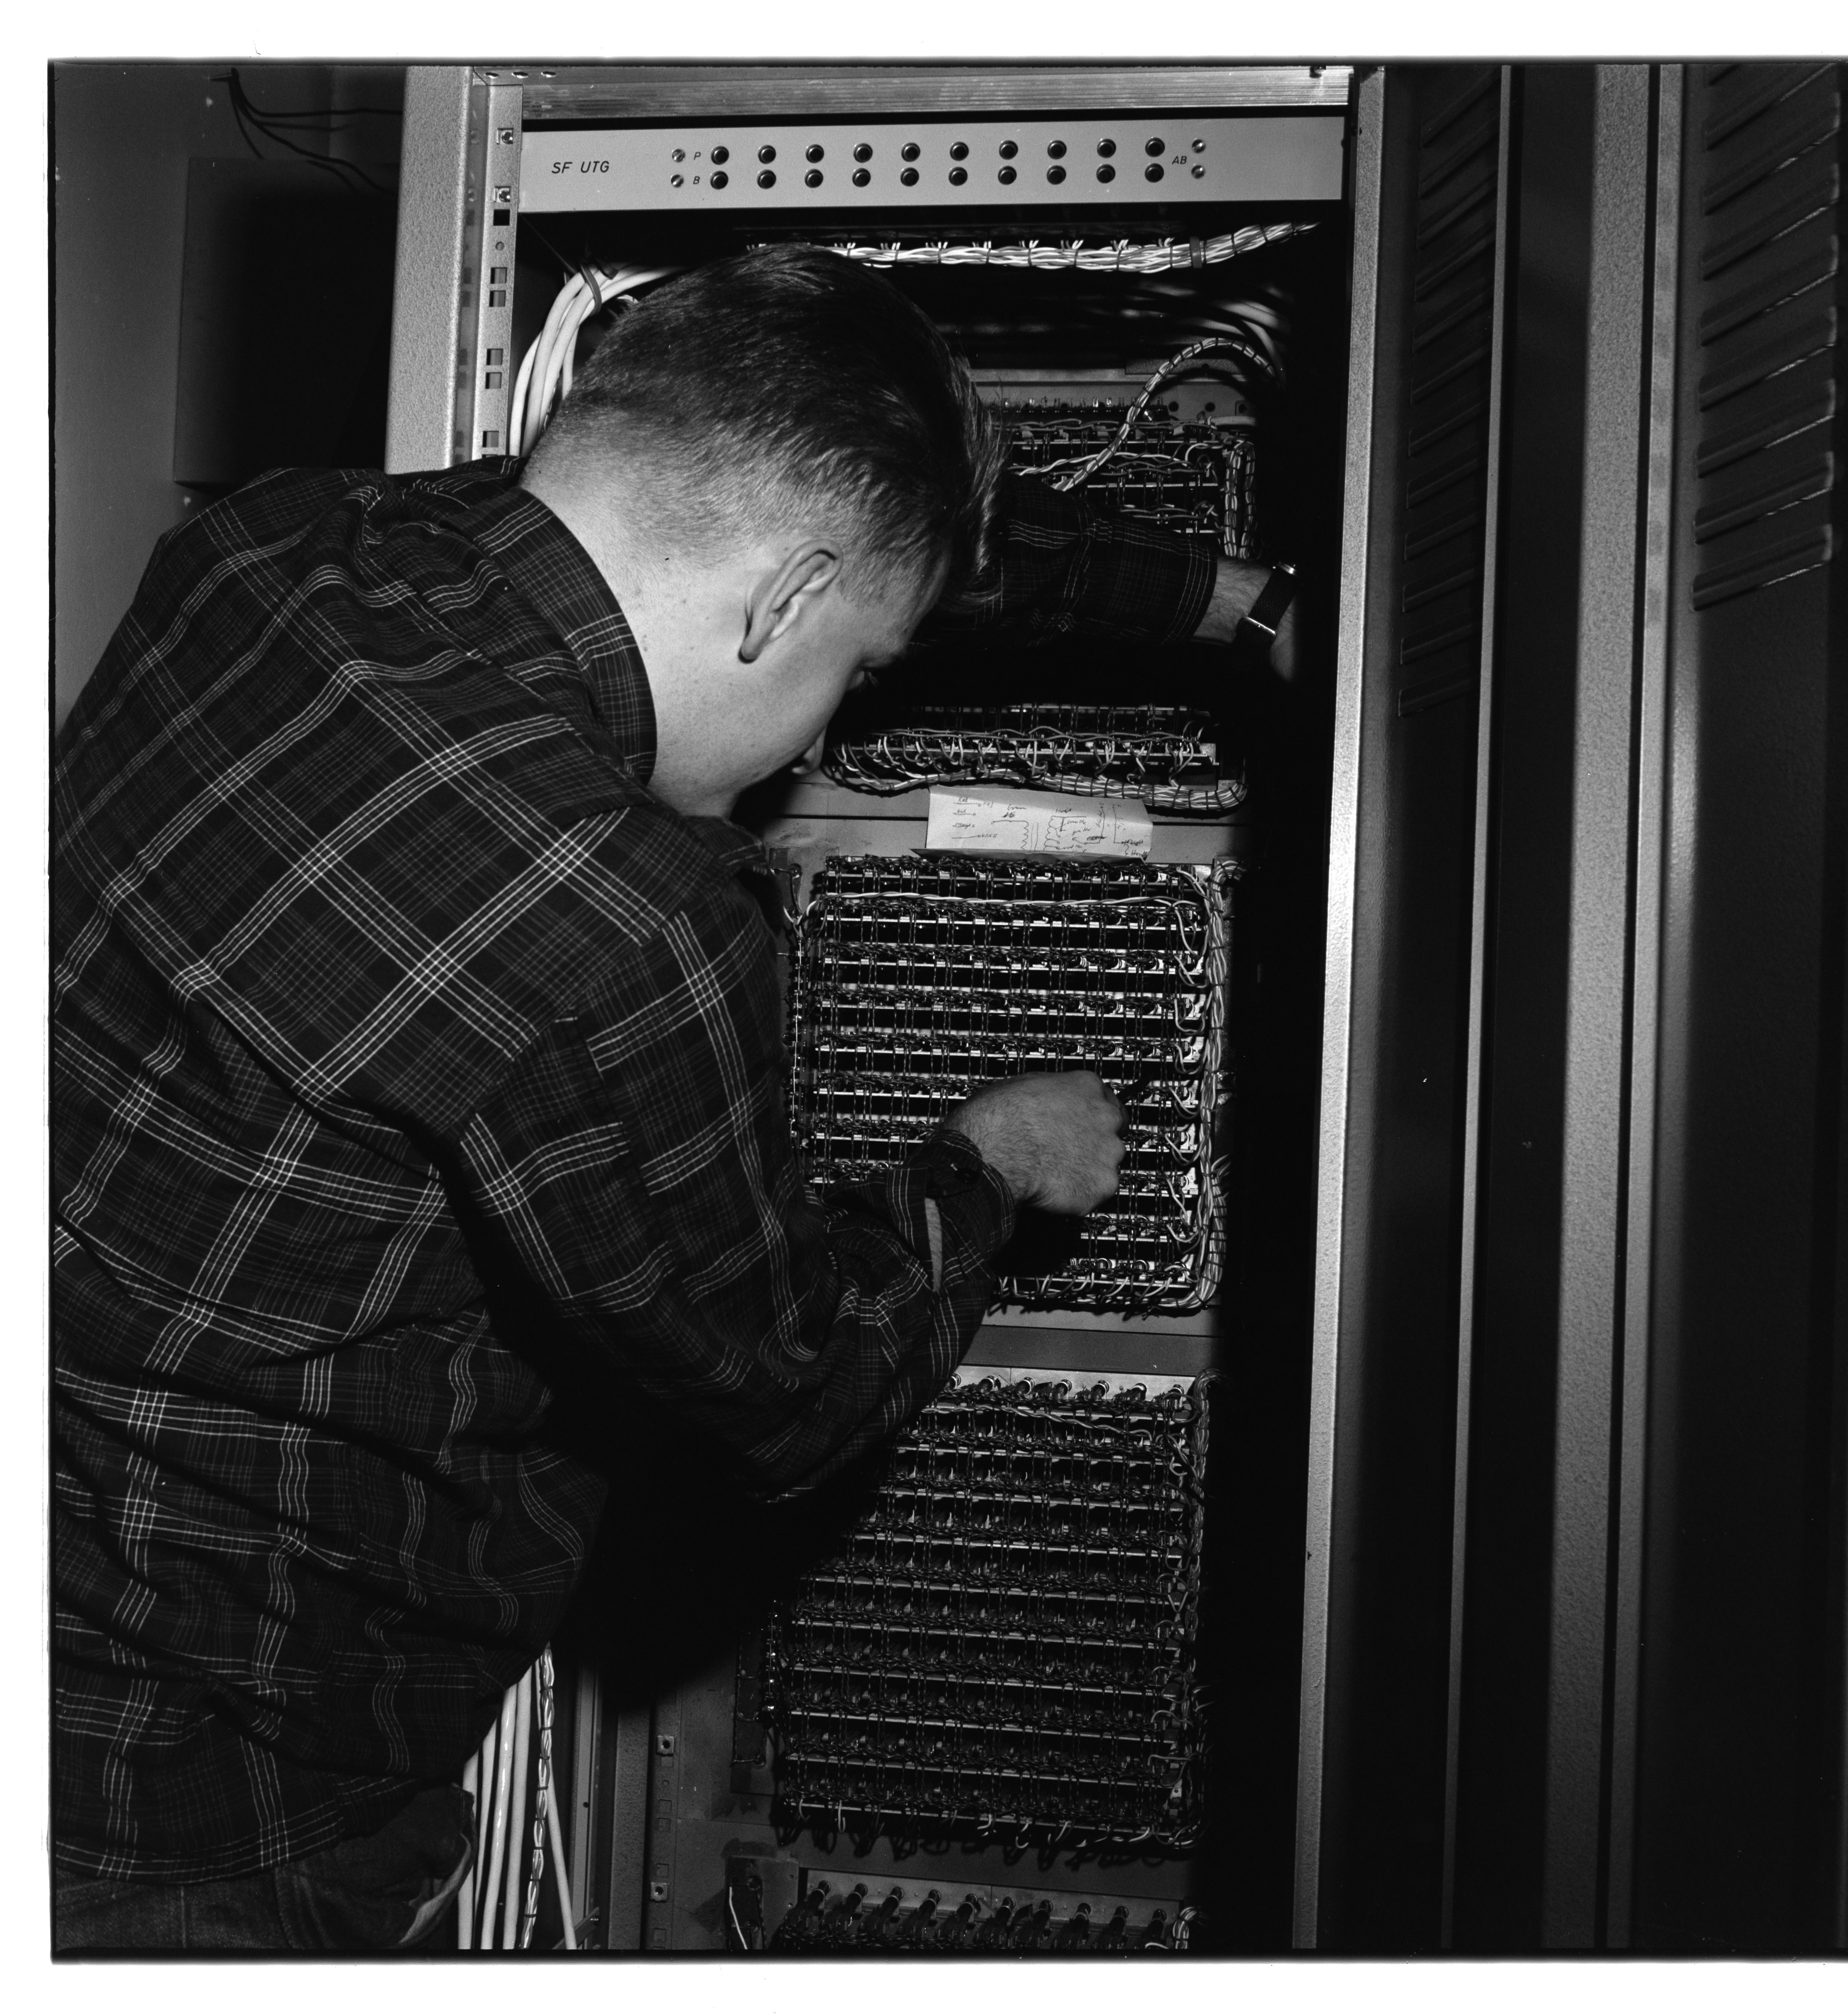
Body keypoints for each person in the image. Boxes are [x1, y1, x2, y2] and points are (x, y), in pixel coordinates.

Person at [50, 243, 1295, 1951]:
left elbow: (788, 505)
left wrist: (1213, 601)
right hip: (206, 1798)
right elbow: (787, 1383)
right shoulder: (617, 923)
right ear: (783, 607)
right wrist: (989, 1163)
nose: (822, 738)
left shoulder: (271, 544)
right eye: (855, 671)